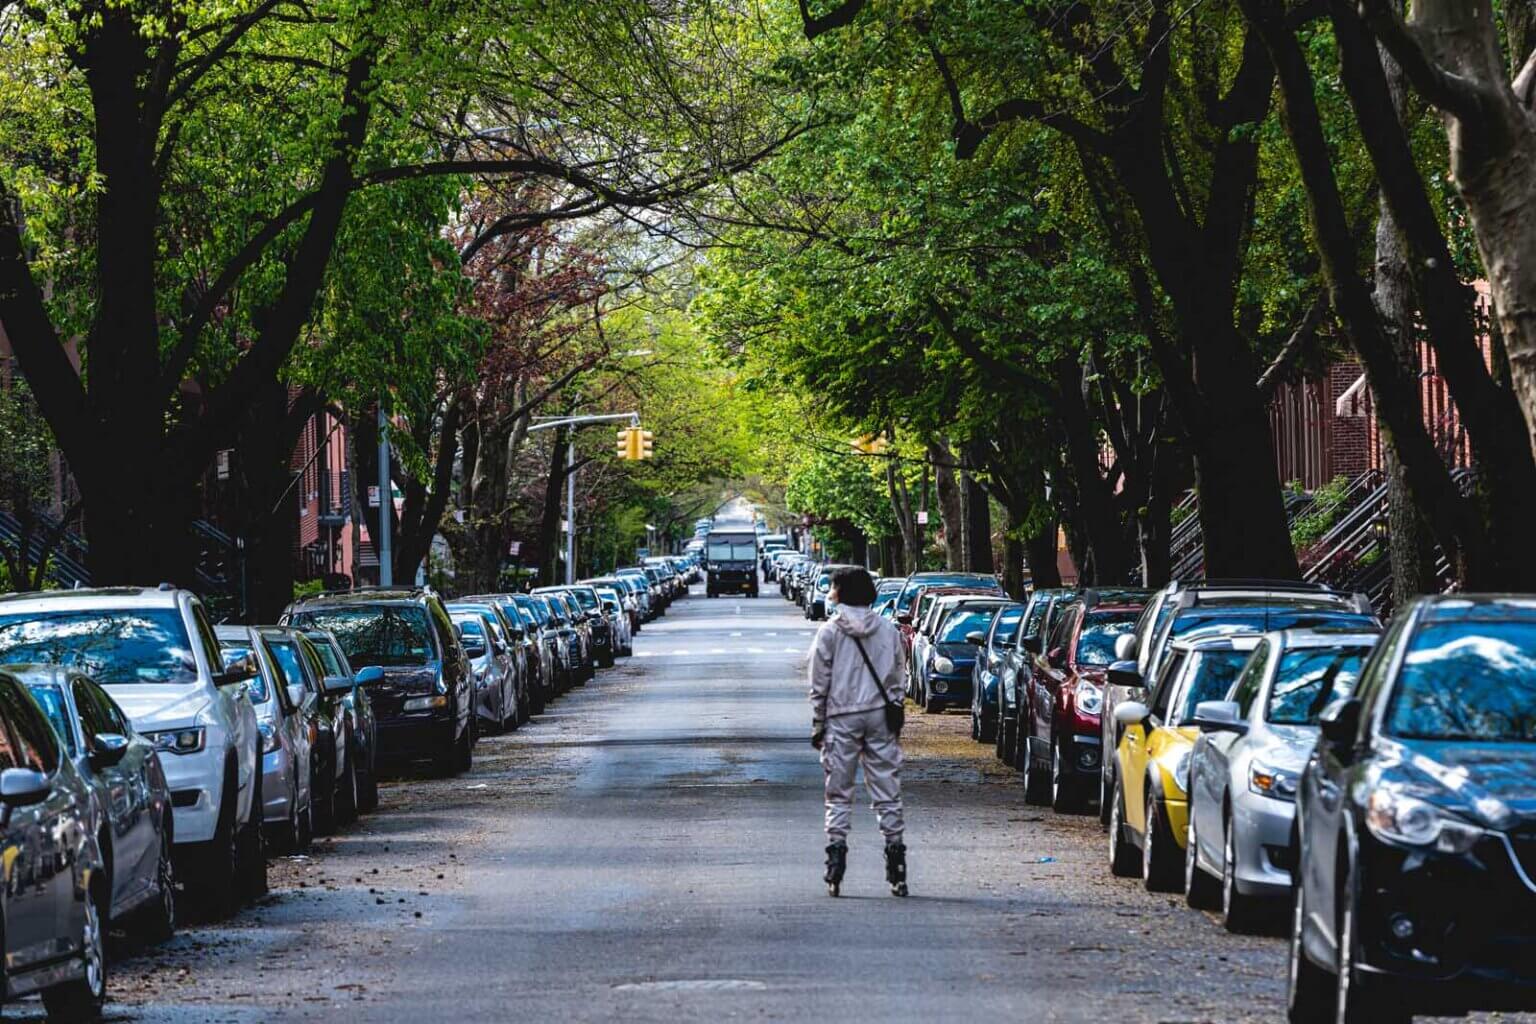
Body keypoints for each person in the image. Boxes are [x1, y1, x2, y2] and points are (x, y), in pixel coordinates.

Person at [808, 566, 908, 897]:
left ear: (839, 592)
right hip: (879, 714)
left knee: (838, 791)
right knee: (886, 786)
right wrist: (894, 704)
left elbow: (819, 679)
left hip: (841, 715)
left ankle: (836, 859)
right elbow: (897, 673)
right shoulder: (887, 629)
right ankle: (896, 861)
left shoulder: (830, 631)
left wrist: (819, 718)